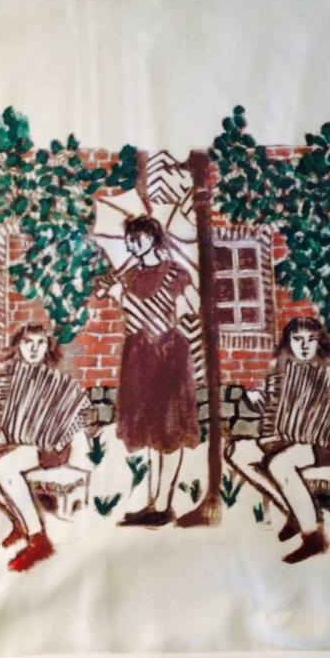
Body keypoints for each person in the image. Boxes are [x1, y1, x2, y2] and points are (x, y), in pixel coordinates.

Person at [226, 317, 330, 564]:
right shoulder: (282, 371)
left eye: (311, 340)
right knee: (237, 451)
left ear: (319, 343)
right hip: (289, 439)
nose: (304, 346)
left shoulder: (328, 372)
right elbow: (274, 407)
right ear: (288, 342)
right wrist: (256, 395)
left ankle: (313, 538)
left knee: (279, 464)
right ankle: (294, 511)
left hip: (324, 445)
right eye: (298, 339)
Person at [0, 323, 92, 572]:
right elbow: (1, 416)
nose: (34, 349)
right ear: (18, 346)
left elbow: (80, 408)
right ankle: (20, 520)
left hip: (48, 449)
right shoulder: (9, 378)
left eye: (40, 343)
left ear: (47, 348)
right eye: (28, 342)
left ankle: (38, 539)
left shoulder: (56, 381)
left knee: (3, 465)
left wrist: (60, 436)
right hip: (18, 443)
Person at [96, 215, 200, 527]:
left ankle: (164, 505)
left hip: (168, 354)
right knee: (153, 429)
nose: (132, 245)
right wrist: (113, 292)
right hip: (140, 358)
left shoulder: (174, 273)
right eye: (129, 240)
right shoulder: (128, 277)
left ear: (153, 238)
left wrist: (179, 316)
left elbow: (193, 308)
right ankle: (156, 503)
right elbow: (128, 311)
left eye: (137, 238)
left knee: (170, 428)